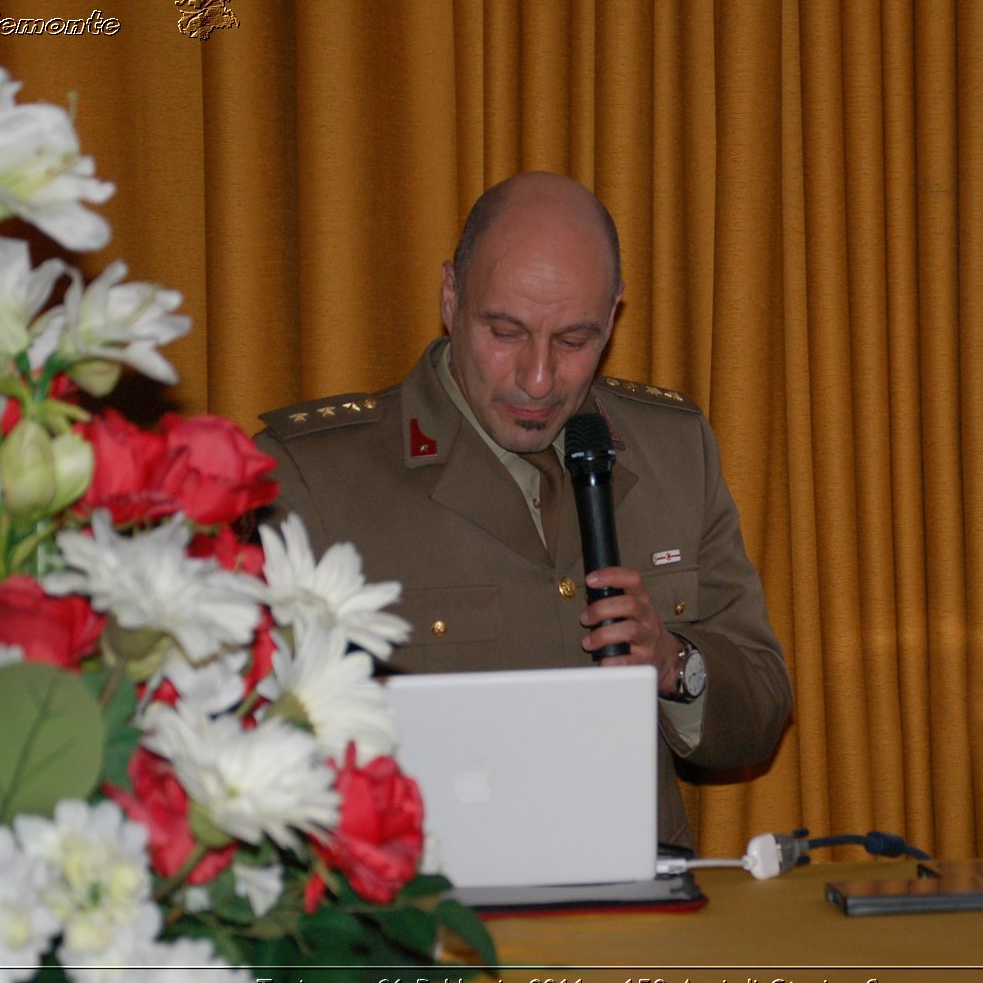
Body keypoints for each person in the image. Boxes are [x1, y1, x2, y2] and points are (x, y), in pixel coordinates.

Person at [255, 171, 791, 852]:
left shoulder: (674, 452)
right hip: (431, 928)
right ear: (451, 297)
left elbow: (763, 706)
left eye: (574, 341)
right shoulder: (315, 479)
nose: (538, 379)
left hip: (642, 924)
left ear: (615, 315)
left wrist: (673, 663)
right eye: (506, 332)